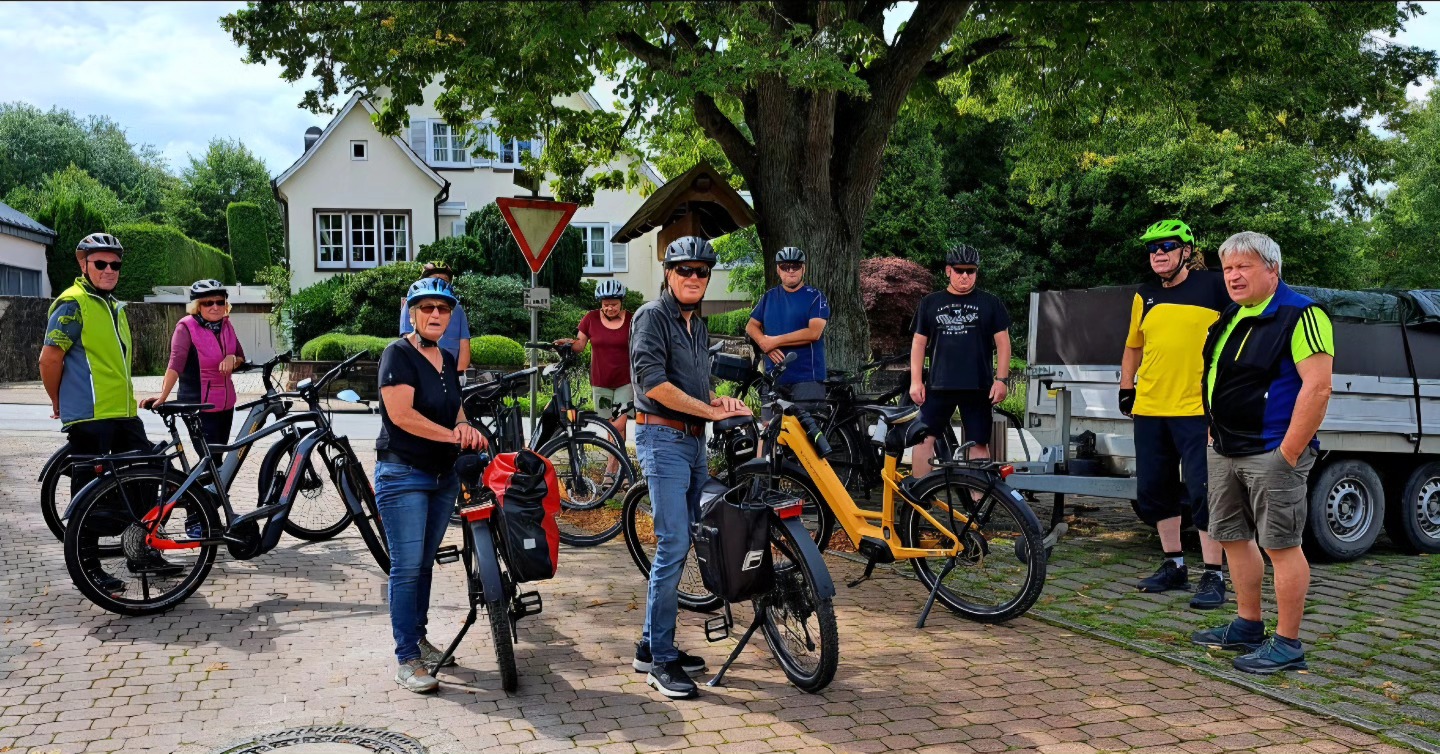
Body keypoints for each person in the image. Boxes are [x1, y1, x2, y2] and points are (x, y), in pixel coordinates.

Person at [1190, 231, 1334, 675]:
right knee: (1232, 537)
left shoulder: (1302, 314)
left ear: (1273, 269)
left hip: (1272, 452)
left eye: (1244, 267)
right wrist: (1213, 432)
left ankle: (1288, 644)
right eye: (1228, 268)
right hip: (1224, 448)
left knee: (1281, 546)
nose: (1233, 276)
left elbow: (1318, 387)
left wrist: (1287, 453)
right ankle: (1248, 625)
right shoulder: (1233, 314)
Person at [629, 236, 751, 699]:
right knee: (673, 543)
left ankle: (650, 645)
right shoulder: (651, 317)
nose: (694, 277)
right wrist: (708, 412)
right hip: (662, 440)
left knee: (690, 539)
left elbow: (695, 386)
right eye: (685, 270)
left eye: (702, 271)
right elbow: (654, 384)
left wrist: (718, 401)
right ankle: (661, 661)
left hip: (693, 441)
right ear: (668, 273)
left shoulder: (696, 324)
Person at [39, 232, 175, 589]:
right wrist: (57, 401)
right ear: (82, 263)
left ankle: (140, 550)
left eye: (115, 264)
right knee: (90, 495)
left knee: (148, 478)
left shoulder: (113, 306)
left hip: (122, 414)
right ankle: (88, 566)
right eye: (100, 263)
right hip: (90, 417)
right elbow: (49, 359)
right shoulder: (73, 304)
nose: (109, 270)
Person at [376, 277, 486, 693]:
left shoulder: (447, 356)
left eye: (443, 308)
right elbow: (401, 415)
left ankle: (419, 640)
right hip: (404, 474)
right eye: (427, 308)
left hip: (443, 478)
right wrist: (453, 437)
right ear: (413, 313)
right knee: (406, 568)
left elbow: (454, 408)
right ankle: (407, 658)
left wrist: (465, 427)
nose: (436, 314)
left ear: (451, 315)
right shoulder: (397, 354)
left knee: (423, 565)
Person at [1119, 220, 1231, 608]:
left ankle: (1214, 574)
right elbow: (1134, 346)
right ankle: (1174, 565)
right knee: (1155, 490)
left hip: (1197, 409)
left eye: (1166, 246)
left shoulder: (1214, 286)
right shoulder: (1145, 294)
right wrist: (1126, 387)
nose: (1158, 254)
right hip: (1151, 407)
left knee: (1203, 490)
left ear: (1186, 250)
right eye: (1152, 248)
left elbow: (1237, 336)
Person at [908, 243, 1012, 475]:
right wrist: (915, 381)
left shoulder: (990, 303)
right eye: (959, 270)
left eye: (970, 271)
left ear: (976, 272)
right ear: (948, 271)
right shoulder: (930, 303)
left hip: (978, 386)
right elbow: (918, 343)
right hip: (938, 385)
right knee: (922, 439)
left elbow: (1003, 343)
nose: (965, 275)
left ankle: (978, 496)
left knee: (979, 444)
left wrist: (1001, 380)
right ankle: (920, 495)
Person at [140, 280, 246, 445]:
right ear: (197, 306)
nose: (215, 307)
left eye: (220, 302)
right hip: (198, 406)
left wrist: (232, 358)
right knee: (209, 456)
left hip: (225, 405)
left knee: (218, 456)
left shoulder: (226, 326)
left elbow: (241, 358)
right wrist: (163, 396)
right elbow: (175, 365)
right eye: (208, 303)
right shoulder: (186, 327)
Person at [556, 279, 634, 465]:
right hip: (601, 382)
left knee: (619, 425)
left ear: (621, 302)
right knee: (609, 425)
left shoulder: (632, 320)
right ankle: (619, 469)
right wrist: (565, 344)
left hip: (625, 381)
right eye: (606, 304)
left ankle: (611, 470)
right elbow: (580, 345)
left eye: (614, 304)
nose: (609, 308)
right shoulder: (591, 319)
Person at [745, 246, 830, 401]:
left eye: (795, 266)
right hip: (773, 377)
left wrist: (774, 342)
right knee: (770, 417)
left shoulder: (816, 297)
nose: (790, 270)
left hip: (807, 379)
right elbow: (751, 326)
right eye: (785, 266)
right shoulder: (769, 297)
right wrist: (764, 343)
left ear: (803, 268)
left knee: (805, 418)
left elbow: (814, 333)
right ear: (778, 270)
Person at [398, 261, 471, 375]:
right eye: (434, 279)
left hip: (450, 370)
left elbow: (464, 343)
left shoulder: (457, 308)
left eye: (444, 280)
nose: (439, 282)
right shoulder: (412, 304)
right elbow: (408, 340)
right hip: (422, 369)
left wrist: (460, 373)